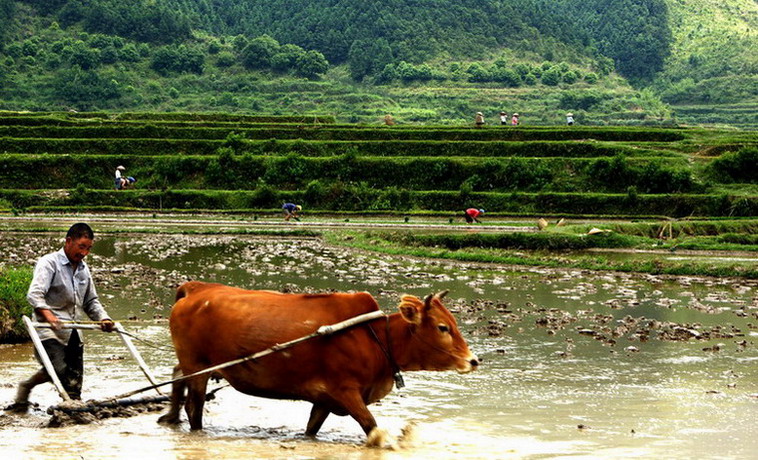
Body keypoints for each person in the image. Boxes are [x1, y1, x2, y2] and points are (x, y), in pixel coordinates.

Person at [10, 223, 114, 411]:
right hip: (49, 331)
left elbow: (91, 301)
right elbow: (34, 294)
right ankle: (26, 386)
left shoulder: (84, 269)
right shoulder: (49, 263)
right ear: (68, 241)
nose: (84, 253)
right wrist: (49, 316)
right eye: (81, 247)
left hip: (74, 331)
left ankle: (72, 413)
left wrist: (104, 318)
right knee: (58, 372)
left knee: (74, 383)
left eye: (88, 248)